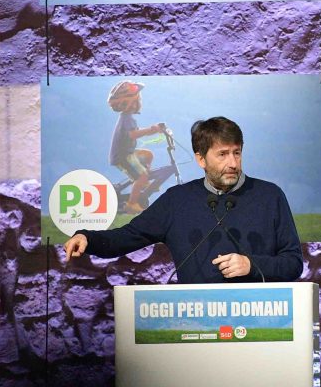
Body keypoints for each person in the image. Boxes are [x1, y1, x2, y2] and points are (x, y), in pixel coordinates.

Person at [65, 116, 304, 283]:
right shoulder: (177, 201)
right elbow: (125, 237)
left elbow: (293, 263)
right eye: (222, 154)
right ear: (201, 159)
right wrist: (87, 237)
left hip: (258, 323)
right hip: (195, 326)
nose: (233, 163)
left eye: (237, 153)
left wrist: (251, 265)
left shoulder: (269, 196)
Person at [107, 80, 167, 213]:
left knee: (148, 155)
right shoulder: (126, 118)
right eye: (137, 100)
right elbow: (133, 134)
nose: (139, 102)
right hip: (122, 156)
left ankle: (142, 181)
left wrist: (154, 130)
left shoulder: (128, 118)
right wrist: (151, 130)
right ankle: (132, 204)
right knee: (141, 177)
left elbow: (135, 131)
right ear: (129, 103)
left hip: (128, 153)